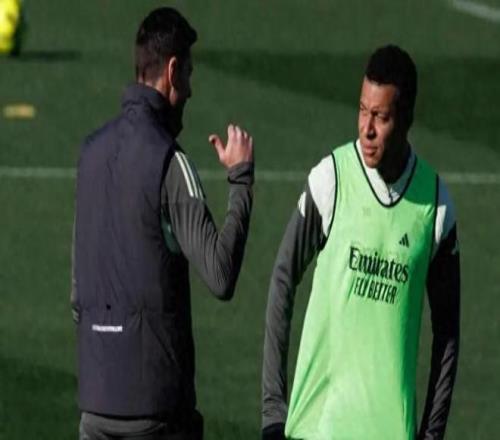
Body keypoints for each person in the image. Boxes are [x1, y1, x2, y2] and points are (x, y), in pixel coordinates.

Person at [72, 7, 254, 440]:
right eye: (188, 74)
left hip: (95, 406)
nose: (190, 89)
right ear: (172, 71)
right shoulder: (169, 160)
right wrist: (241, 180)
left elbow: (77, 294)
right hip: (156, 412)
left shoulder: (89, 154)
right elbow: (220, 274)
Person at [262, 45, 460, 440]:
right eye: (362, 111)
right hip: (316, 429)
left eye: (381, 117)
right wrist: (272, 410)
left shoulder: (436, 206)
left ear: (406, 118)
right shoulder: (331, 179)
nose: (366, 129)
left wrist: (432, 432)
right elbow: (283, 279)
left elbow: (448, 332)